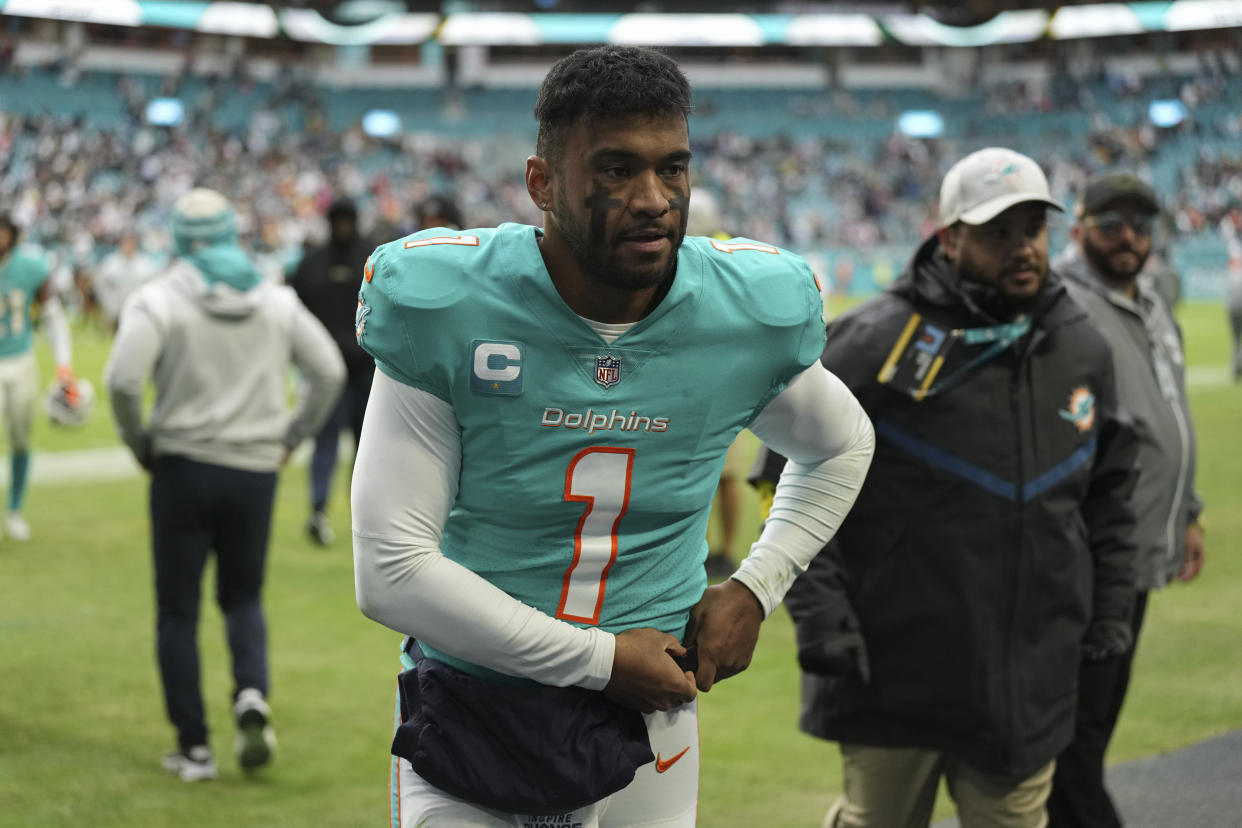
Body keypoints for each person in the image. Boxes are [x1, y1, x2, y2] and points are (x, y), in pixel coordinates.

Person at [351, 45, 876, 828]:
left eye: (673, 169)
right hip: (479, 704)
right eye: (616, 170)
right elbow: (390, 571)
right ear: (543, 183)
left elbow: (842, 443)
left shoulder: (739, 314)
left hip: (650, 716)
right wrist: (600, 662)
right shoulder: (449, 306)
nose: (653, 198)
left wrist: (757, 587)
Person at [770, 147, 1140, 827]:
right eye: (998, 232)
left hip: (1024, 677)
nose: (1022, 247)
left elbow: (1113, 494)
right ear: (948, 238)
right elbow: (786, 476)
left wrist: (1111, 605)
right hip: (892, 668)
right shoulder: (874, 342)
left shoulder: (1080, 346)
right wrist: (821, 614)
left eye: (1032, 229)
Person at [105, 188, 345, 782]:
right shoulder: (273, 298)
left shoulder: (159, 298)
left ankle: (194, 749)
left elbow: (123, 380)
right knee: (243, 597)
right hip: (254, 471)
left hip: (182, 465)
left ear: (181, 240)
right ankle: (251, 694)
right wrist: (291, 436)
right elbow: (329, 370)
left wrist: (142, 445)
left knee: (177, 611)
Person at [1047, 170, 1205, 828]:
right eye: (1112, 224)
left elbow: (1168, 408)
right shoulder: (1061, 303)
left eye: (1141, 226)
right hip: (1086, 560)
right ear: (1079, 227)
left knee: (1094, 728)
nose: (1129, 238)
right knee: (1076, 740)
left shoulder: (1151, 303)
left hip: (1136, 552)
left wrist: (1187, 512)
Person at [288, 196, 375, 546]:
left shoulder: (369, 258)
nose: (341, 225)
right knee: (329, 443)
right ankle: (319, 510)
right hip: (331, 372)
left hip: (364, 370)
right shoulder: (365, 260)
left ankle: (361, 517)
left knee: (365, 448)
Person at [0, 212, 82, 542]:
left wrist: (64, 366)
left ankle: (15, 509)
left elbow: (53, 318)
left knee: (20, 439)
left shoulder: (31, 267)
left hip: (20, 360)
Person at [92, 231, 159, 332]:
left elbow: (151, 283)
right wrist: (108, 301)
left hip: (137, 305)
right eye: (126, 243)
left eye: (131, 243)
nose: (128, 246)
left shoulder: (144, 263)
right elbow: (100, 282)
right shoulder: (111, 262)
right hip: (114, 304)